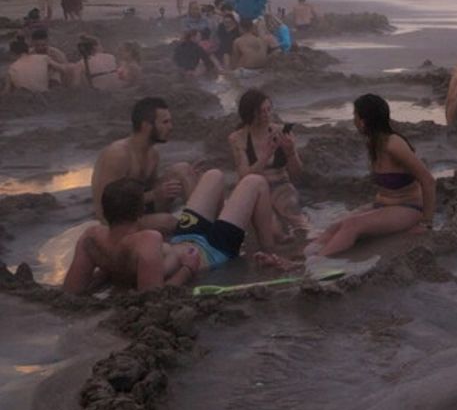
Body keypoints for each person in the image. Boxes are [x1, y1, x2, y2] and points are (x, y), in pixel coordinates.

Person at [63, 171, 284, 293]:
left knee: (214, 175)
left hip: (184, 238)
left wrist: (107, 274)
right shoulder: (147, 240)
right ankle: (270, 251)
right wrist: (187, 269)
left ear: (106, 210)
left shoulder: (91, 237)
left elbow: (71, 291)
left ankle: (228, 228)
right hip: (211, 252)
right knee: (255, 182)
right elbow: (154, 299)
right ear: (140, 212)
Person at [312, 94, 435, 256]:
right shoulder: (374, 142)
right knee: (334, 227)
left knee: (352, 224)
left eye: (354, 116)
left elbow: (428, 180)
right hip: (382, 206)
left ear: (363, 121)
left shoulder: (393, 144)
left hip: (408, 208)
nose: (353, 121)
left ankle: (315, 264)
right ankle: (305, 256)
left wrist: (426, 223)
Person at [91, 97, 198, 233]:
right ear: (146, 126)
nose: (170, 127)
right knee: (168, 221)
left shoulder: (152, 154)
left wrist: (183, 180)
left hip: (139, 210)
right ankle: (192, 234)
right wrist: (154, 194)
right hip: (116, 220)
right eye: (165, 122)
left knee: (183, 169)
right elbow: (106, 205)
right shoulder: (118, 155)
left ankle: (199, 223)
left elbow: (150, 190)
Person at [228, 89, 305, 240]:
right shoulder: (238, 138)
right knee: (275, 232)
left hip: (281, 185)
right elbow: (244, 177)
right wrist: (266, 154)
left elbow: (297, 175)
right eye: (261, 112)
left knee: (300, 224)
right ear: (249, 113)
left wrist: (291, 152)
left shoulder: (280, 131)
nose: (266, 115)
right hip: (255, 190)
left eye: (268, 109)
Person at [4, 37, 70, 94]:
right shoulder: (43, 58)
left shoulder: (11, 69)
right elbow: (63, 69)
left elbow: (7, 91)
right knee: (54, 69)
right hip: (44, 93)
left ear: (12, 53)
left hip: (25, 96)